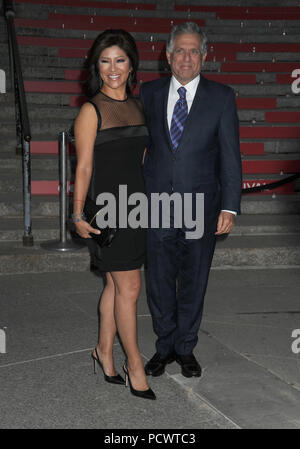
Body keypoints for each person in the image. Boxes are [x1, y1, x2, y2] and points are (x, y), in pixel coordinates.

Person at [139, 22, 242, 378]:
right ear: (167, 55)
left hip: (202, 206)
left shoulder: (222, 97)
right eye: (179, 50)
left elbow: (230, 155)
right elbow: (137, 147)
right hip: (156, 206)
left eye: (193, 50)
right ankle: (164, 345)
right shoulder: (147, 93)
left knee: (194, 279)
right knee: (159, 280)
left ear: (204, 55)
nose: (186, 57)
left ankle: (185, 348)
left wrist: (230, 205)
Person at [72, 29, 155, 400]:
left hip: (136, 208)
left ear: (132, 64)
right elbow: (85, 167)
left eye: (120, 60)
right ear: (96, 66)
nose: (112, 68)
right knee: (131, 287)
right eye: (105, 61)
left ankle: (103, 352)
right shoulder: (91, 110)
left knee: (114, 285)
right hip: (107, 210)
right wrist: (77, 215)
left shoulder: (139, 107)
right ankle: (134, 364)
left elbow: (139, 161)